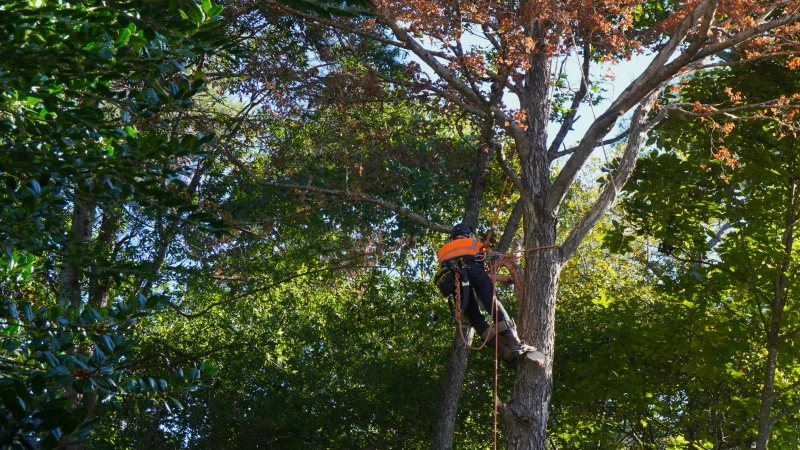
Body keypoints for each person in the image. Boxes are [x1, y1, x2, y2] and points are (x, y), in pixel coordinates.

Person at [434, 222, 537, 366]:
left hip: (457, 284)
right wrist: (493, 258)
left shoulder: (442, 251)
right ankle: (513, 342)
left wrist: (500, 278)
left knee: (475, 318)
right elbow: (482, 268)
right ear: (469, 234)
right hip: (475, 274)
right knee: (493, 304)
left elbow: (464, 272)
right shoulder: (473, 243)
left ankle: (502, 351)